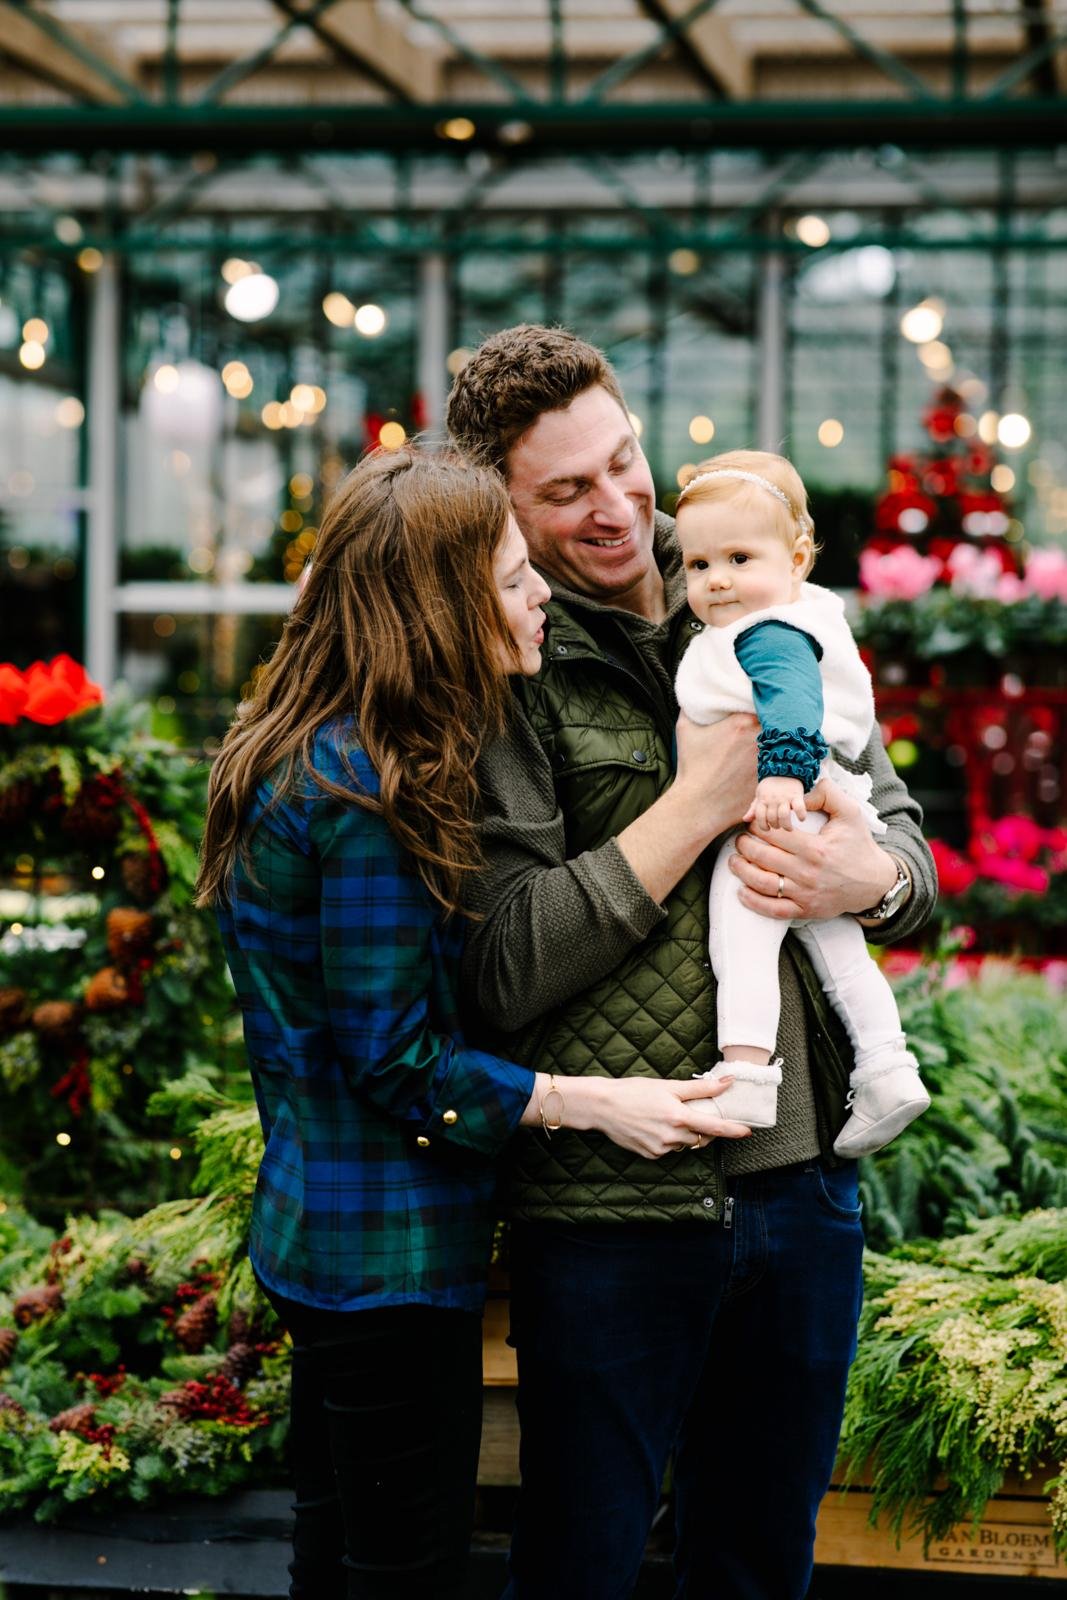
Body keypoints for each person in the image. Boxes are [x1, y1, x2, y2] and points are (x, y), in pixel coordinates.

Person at [195, 445, 748, 1600]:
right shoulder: (367, 790)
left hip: (321, 1236)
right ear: (435, 605)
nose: (540, 589)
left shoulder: (306, 744)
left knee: (338, 1550)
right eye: (508, 577)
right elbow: (397, 1060)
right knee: (406, 1572)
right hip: (385, 1259)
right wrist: (597, 1102)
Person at [446, 327, 937, 1600]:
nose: (617, 508)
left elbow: (906, 847)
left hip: (802, 1186)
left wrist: (868, 881)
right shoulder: (503, 661)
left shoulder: (761, 576)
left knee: (759, 1566)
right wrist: (695, 803)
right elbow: (496, 965)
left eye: (623, 462)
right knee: (582, 1569)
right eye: (564, 493)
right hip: (609, 1211)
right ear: (498, 504)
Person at [674, 449, 930, 1158]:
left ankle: (746, 1076)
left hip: (781, 809)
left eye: (737, 558)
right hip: (818, 811)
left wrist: (779, 777)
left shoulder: (769, 632)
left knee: (739, 937)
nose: (717, 580)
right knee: (841, 952)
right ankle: (885, 1065)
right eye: (698, 566)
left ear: (796, 559)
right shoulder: (790, 614)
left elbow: (792, 704)